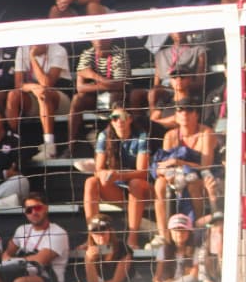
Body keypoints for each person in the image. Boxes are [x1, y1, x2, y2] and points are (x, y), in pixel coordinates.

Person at [81, 105, 153, 251]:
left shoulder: (141, 136)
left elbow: (143, 172)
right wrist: (103, 175)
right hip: (117, 190)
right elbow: (99, 169)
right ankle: (92, 237)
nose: (119, 121)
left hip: (142, 190)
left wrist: (117, 175)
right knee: (91, 182)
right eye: (115, 118)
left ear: (130, 119)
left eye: (123, 117)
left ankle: (132, 239)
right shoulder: (104, 135)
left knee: (135, 183)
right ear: (111, 121)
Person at [151, 104, 215, 246]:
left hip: (201, 175)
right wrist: (169, 172)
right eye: (180, 110)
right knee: (160, 184)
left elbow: (206, 167)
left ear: (196, 114)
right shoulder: (170, 135)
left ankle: (196, 230)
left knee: (193, 180)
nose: (184, 113)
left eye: (189, 109)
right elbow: (166, 165)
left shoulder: (206, 133)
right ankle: (164, 235)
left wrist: (179, 162)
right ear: (176, 115)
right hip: (177, 175)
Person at [6, 42, 71, 162]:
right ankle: (11, 143)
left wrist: (32, 57)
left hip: (61, 99)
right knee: (13, 95)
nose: (33, 46)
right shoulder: (22, 49)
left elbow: (47, 83)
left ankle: (49, 147)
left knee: (44, 92)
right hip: (37, 96)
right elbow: (18, 84)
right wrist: (33, 87)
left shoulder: (59, 50)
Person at [67, 37, 130, 154]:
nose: (99, 41)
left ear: (110, 39)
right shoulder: (87, 54)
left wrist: (92, 76)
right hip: (95, 96)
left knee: (115, 97)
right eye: (95, 38)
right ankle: (72, 146)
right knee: (77, 99)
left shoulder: (120, 54)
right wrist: (103, 80)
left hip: (116, 96)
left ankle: (110, 144)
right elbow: (80, 88)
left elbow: (120, 85)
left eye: (102, 38)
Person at [70, 215, 133, 282]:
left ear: (110, 231)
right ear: (91, 234)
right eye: (96, 233)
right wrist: (89, 261)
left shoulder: (122, 248)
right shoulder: (91, 251)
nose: (100, 236)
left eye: (103, 232)